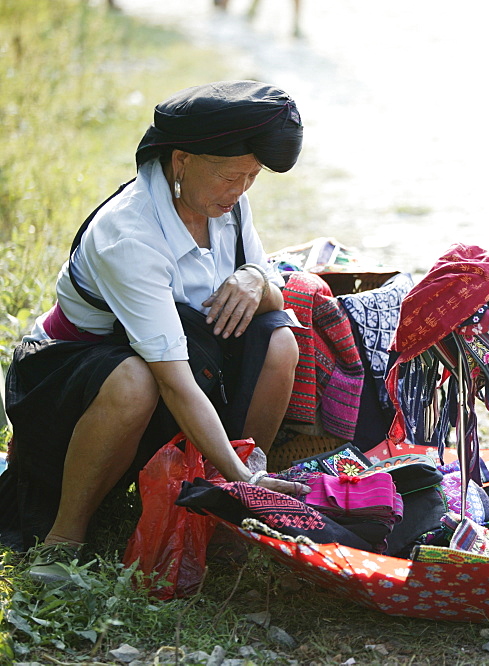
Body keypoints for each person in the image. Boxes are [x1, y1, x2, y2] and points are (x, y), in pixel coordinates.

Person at [0, 80, 310, 583]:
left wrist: (255, 279)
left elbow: (272, 293)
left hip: (178, 357)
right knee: (133, 380)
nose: (239, 191)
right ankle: (63, 539)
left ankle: (227, 524)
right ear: (182, 160)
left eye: (250, 178)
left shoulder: (226, 204)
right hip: (72, 375)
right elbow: (173, 380)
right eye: (230, 176)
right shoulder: (130, 234)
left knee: (277, 339)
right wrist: (244, 478)